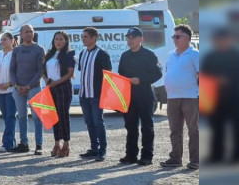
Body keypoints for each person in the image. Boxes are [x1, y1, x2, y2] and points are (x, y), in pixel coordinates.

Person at [200, 28, 239, 164]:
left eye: (223, 40)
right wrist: (214, 80)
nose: (220, 42)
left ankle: (238, 156)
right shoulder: (211, 57)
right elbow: (204, 75)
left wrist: (231, 78)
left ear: (230, 40)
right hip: (216, 98)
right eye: (217, 40)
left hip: (237, 95)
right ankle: (216, 155)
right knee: (217, 127)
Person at [117, 28, 163, 165]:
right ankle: (130, 155)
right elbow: (121, 74)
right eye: (128, 38)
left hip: (144, 94)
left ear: (141, 39)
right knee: (130, 126)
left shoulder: (149, 55)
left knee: (146, 126)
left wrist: (141, 79)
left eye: (133, 37)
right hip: (128, 95)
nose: (130, 40)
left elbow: (157, 74)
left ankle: (147, 156)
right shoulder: (125, 56)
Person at [160, 25, 200, 170]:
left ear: (187, 38)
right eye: (173, 37)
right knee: (175, 129)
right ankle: (175, 158)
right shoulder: (171, 55)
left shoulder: (195, 54)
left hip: (190, 97)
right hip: (172, 98)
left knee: (193, 129)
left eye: (178, 36)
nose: (175, 39)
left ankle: (196, 160)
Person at [9, 24, 46, 155]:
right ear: (21, 34)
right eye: (26, 32)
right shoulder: (16, 50)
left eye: (31, 32)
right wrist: (16, 85)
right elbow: (12, 70)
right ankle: (24, 143)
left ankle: (39, 144)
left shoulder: (39, 49)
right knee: (22, 116)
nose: (29, 34)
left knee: (37, 117)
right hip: (18, 88)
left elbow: (40, 71)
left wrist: (29, 86)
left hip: (34, 87)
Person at [77, 27, 113, 161]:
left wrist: (105, 93)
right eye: (83, 37)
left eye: (86, 36)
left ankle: (102, 150)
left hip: (96, 94)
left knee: (98, 121)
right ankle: (93, 148)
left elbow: (108, 74)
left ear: (94, 38)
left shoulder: (102, 54)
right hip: (84, 93)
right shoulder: (82, 53)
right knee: (89, 122)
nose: (83, 39)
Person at [42, 31, 76, 158]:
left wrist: (57, 82)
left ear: (66, 41)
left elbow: (69, 74)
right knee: (53, 116)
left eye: (61, 39)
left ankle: (66, 144)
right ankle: (57, 143)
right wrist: (47, 81)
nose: (58, 41)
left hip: (63, 87)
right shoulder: (49, 54)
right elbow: (43, 71)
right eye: (56, 39)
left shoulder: (68, 54)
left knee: (63, 115)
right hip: (51, 88)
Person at [0, 32, 17, 152]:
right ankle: (12, 141)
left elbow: (18, 73)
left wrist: (8, 84)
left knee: (11, 116)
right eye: (1, 40)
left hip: (11, 90)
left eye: (5, 39)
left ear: (12, 41)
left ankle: (6, 143)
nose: (2, 42)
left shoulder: (15, 55)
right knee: (6, 117)